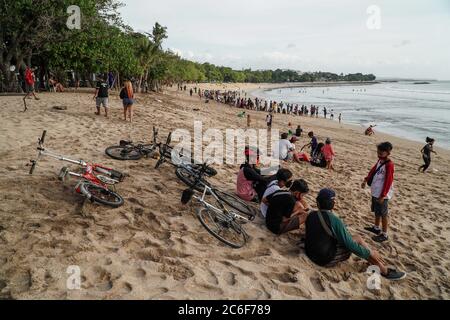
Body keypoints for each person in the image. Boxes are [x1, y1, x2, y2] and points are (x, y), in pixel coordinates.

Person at [304, 188, 406, 280]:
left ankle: (375, 260)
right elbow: (350, 245)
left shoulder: (311, 214)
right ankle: (384, 270)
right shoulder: (334, 220)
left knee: (356, 238)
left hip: (309, 252)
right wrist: (369, 252)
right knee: (358, 240)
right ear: (333, 203)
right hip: (323, 259)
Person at [361, 142, 394, 243]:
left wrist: (383, 195)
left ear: (388, 153)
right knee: (376, 211)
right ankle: (376, 228)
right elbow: (373, 170)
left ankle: (384, 234)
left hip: (382, 194)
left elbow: (389, 181)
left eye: (381, 153)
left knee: (383, 213)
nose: (379, 154)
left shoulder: (389, 164)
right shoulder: (380, 161)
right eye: (378, 152)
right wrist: (366, 179)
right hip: (376, 191)